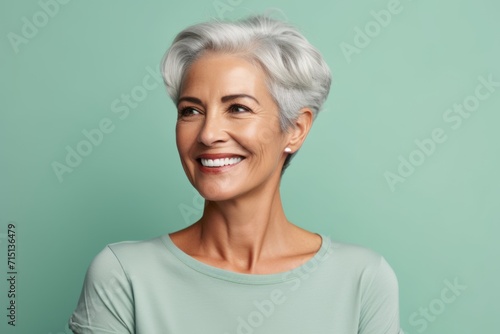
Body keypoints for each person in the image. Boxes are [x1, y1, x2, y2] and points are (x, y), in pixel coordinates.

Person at [69, 15, 403, 334]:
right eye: (191, 111)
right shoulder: (122, 276)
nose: (208, 133)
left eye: (238, 108)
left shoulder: (362, 280)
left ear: (296, 130)